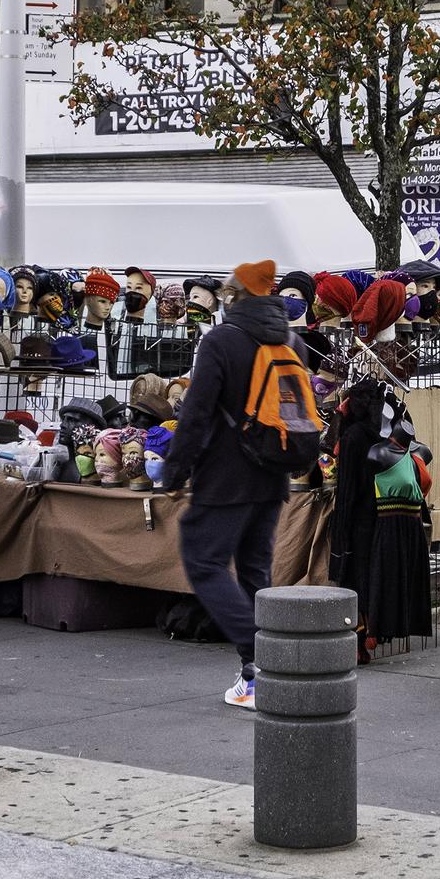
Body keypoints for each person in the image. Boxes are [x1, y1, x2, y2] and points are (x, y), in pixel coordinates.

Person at [163, 259, 307, 709]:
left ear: (234, 296)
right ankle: (257, 675)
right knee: (254, 572)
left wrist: (175, 469)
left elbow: (197, 412)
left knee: (203, 561)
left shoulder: (221, 340)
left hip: (225, 477)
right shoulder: (292, 342)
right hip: (273, 473)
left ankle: (262, 658)